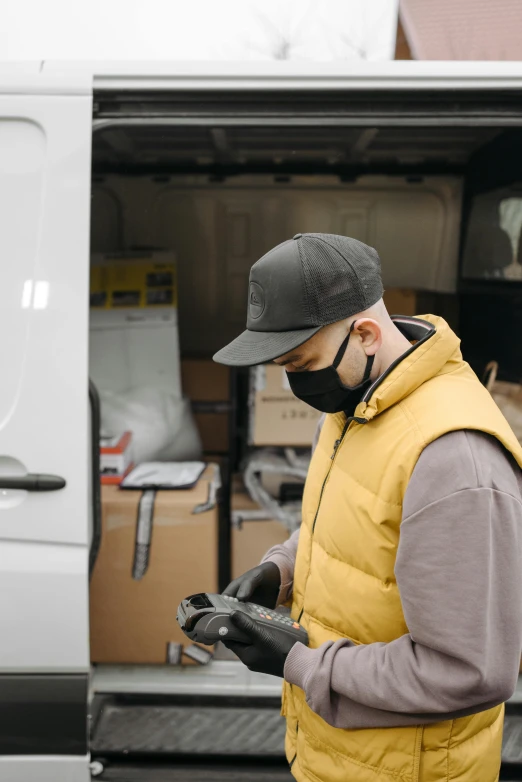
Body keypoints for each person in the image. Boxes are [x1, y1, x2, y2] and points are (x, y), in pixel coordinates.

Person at [213, 233, 522, 782]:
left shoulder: (455, 460)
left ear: (365, 334)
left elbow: (470, 672)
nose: (294, 381)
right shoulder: (354, 401)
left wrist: (298, 662)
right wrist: (280, 569)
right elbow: (342, 524)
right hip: (342, 757)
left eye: (299, 361)